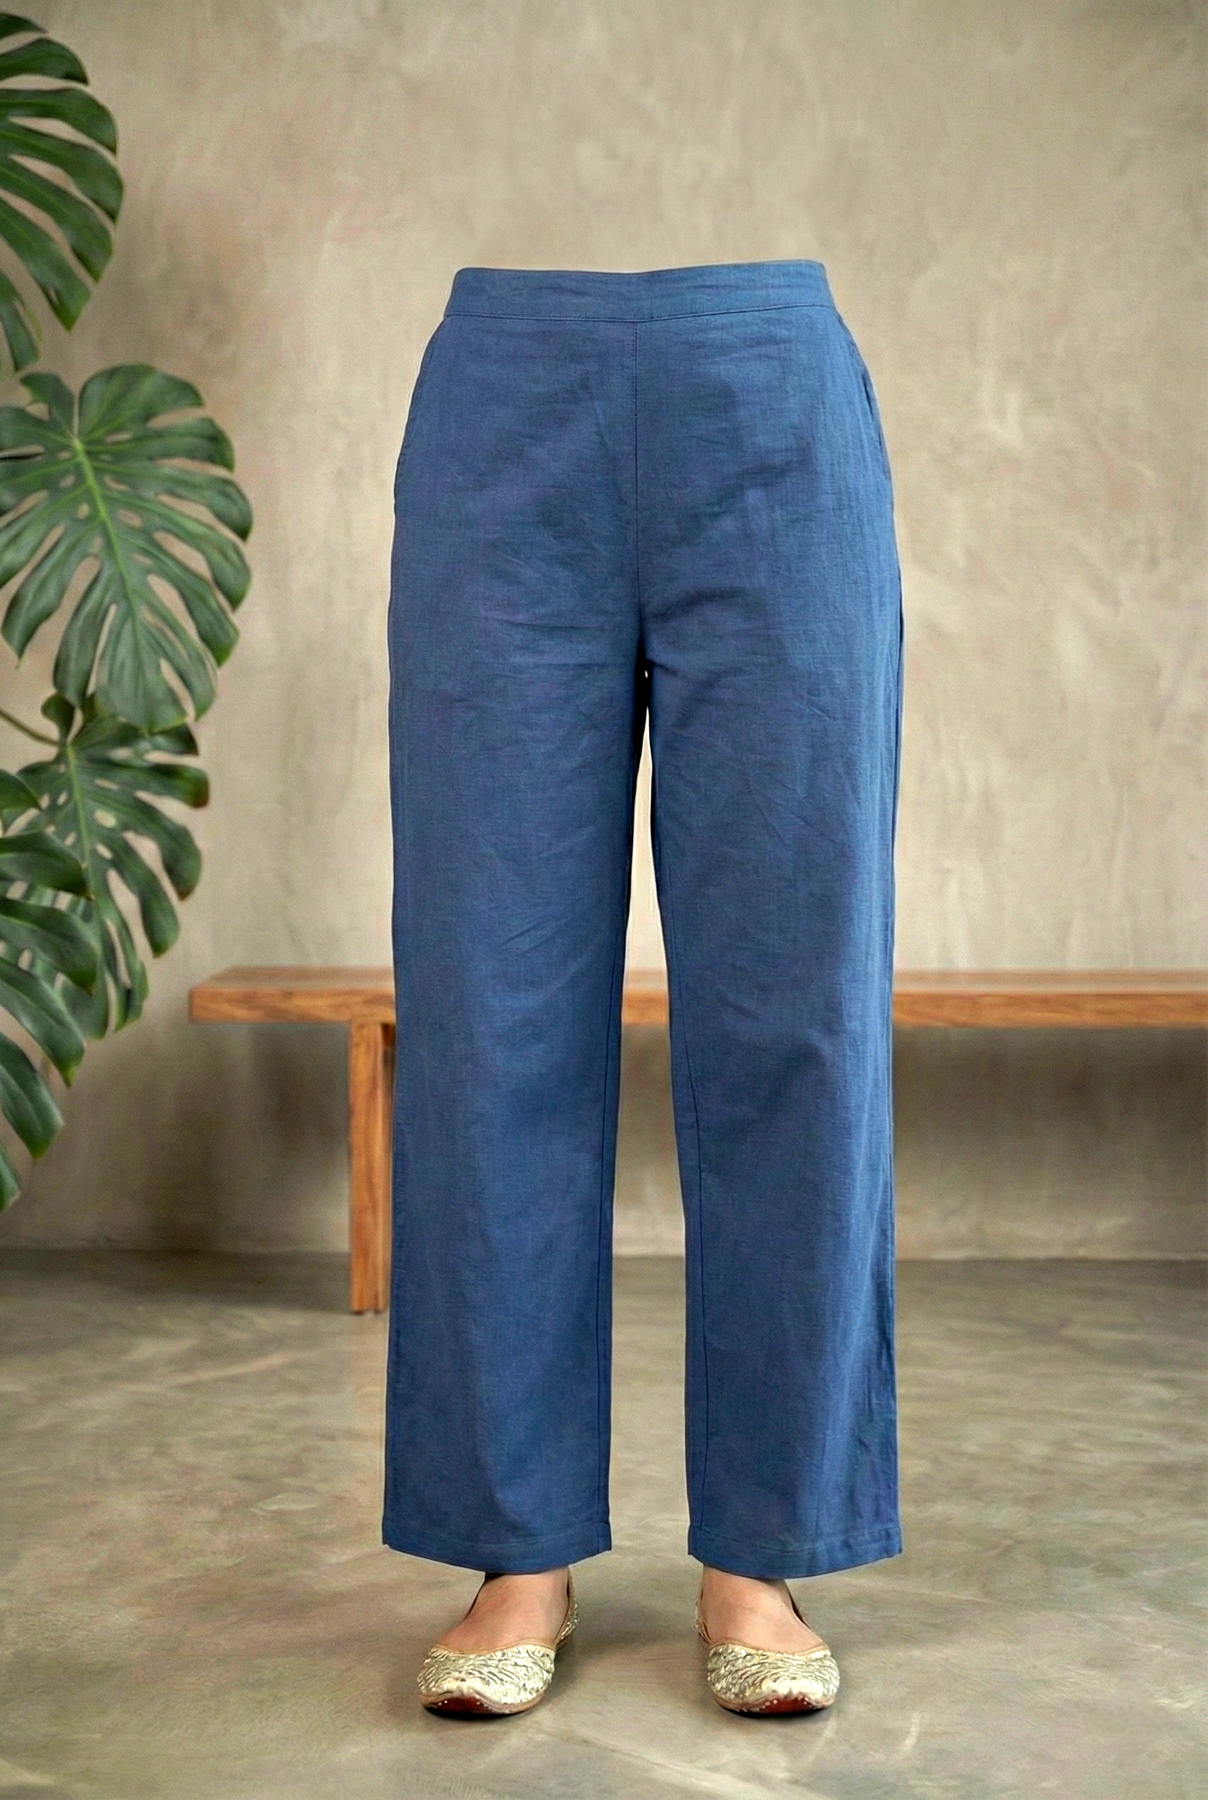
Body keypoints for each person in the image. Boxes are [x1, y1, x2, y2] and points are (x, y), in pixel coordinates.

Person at [383, 259, 904, 1717]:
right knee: (490, 1002)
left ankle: (764, 1555)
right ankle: (515, 1551)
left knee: (795, 1005)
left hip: (774, 401)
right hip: (503, 409)